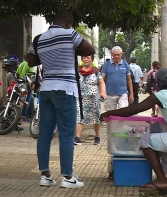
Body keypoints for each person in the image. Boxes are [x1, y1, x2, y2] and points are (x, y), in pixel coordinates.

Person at [100, 68, 167, 189]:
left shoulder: (159, 96)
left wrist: (107, 113)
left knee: (145, 141)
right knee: (166, 146)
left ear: (158, 83)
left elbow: (132, 110)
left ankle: (162, 179)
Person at [28, 10, 95, 188]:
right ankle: (67, 177)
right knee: (66, 134)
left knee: (45, 133)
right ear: (68, 23)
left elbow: (31, 62)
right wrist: (70, 47)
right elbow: (90, 50)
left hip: (46, 89)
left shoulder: (39, 38)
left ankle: (45, 175)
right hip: (65, 89)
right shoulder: (69, 34)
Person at [73, 55, 107, 146]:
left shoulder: (96, 71)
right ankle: (77, 137)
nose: (86, 59)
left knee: (96, 117)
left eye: (88, 57)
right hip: (81, 98)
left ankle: (97, 137)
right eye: (84, 58)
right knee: (80, 116)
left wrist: (103, 92)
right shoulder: (77, 70)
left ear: (91, 59)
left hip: (94, 99)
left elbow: (101, 82)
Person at [101, 46, 134, 111]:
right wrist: (102, 92)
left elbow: (129, 80)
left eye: (118, 55)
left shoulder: (125, 64)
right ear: (112, 54)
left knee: (123, 113)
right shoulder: (106, 65)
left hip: (123, 94)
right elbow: (102, 79)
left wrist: (131, 94)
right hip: (110, 94)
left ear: (121, 54)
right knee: (110, 115)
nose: (116, 56)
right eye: (114, 55)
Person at [16, 53, 36, 121]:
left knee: (31, 98)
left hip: (20, 83)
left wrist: (19, 81)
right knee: (28, 100)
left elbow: (17, 73)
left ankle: (30, 114)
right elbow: (31, 76)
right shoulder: (31, 65)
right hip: (27, 84)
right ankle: (24, 115)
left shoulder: (22, 63)